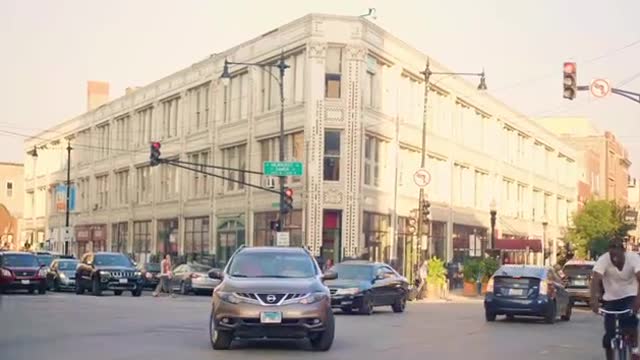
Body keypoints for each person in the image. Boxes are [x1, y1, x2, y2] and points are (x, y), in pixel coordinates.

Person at [591, 238, 640, 360]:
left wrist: (637, 302)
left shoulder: (633, 258)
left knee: (630, 325)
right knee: (609, 336)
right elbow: (595, 280)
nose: (614, 259)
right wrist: (594, 301)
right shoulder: (604, 259)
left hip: (631, 295)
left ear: (623, 252)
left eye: (617, 255)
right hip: (611, 298)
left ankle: (635, 350)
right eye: (612, 255)